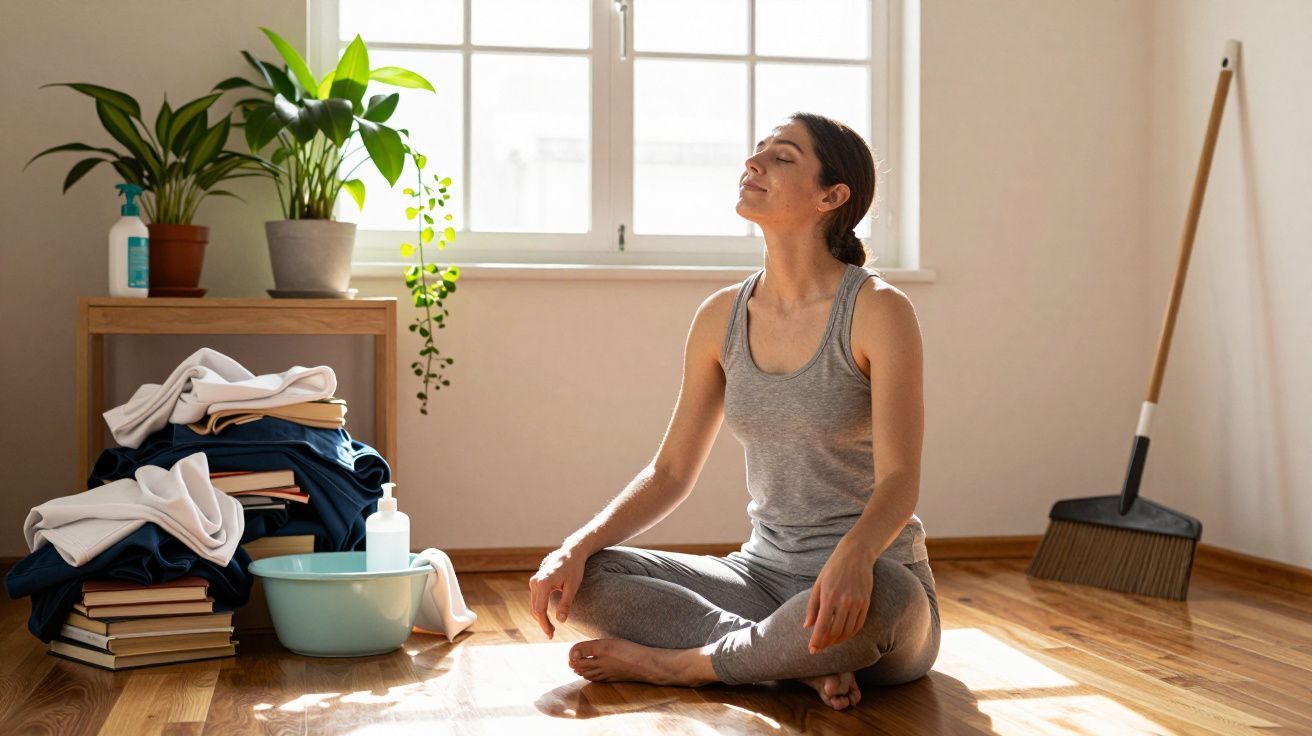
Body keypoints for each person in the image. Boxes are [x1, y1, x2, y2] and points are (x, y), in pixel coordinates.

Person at [527, 112, 938, 712]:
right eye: (757, 151)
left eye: (783, 156)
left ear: (833, 195)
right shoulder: (721, 316)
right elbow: (670, 472)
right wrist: (576, 545)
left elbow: (901, 478)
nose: (754, 163)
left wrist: (853, 558)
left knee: (889, 600)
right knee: (588, 578)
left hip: (869, 577)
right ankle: (782, 659)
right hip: (760, 580)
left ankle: (685, 666)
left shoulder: (878, 310)